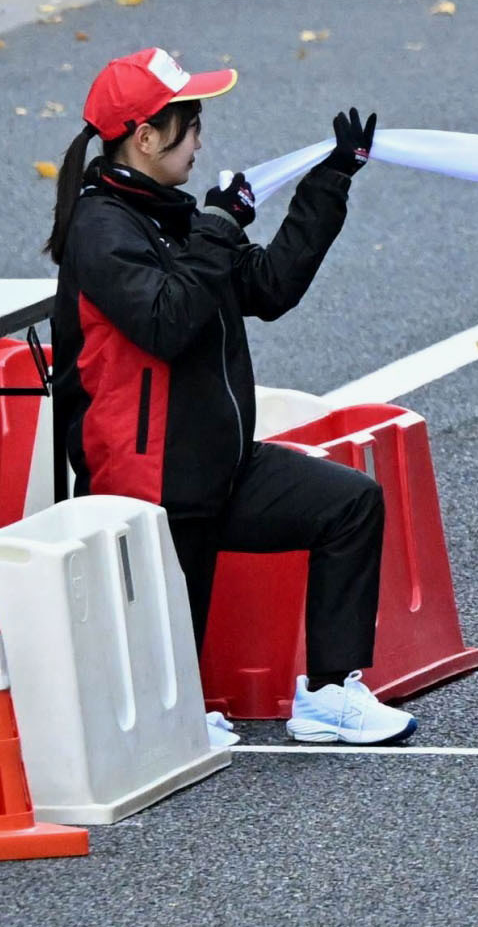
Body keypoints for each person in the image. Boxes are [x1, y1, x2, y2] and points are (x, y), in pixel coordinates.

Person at [43, 47, 409, 747]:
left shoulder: (174, 216)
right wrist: (216, 227)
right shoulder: (101, 229)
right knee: (164, 694)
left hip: (216, 464)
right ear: (145, 136)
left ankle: (330, 693)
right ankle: (175, 722)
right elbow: (165, 321)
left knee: (349, 504)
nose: (200, 139)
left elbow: (270, 287)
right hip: (150, 483)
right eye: (189, 124)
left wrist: (329, 183)